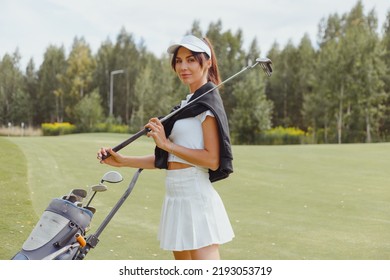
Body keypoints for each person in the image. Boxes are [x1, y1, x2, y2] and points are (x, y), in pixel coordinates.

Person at [97, 34, 234, 260]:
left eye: (191, 59)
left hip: (195, 197)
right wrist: (123, 161)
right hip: (175, 196)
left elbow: (212, 160)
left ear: (207, 62)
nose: (183, 66)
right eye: (179, 61)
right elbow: (167, 161)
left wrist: (167, 144)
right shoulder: (187, 105)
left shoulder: (207, 105)